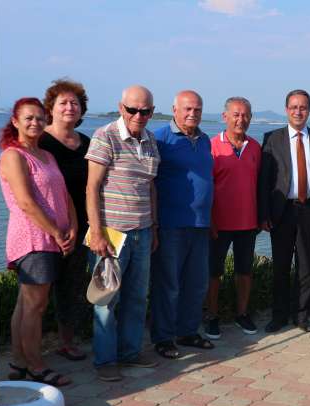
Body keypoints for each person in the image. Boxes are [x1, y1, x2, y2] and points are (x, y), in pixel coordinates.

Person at [0, 97, 76, 386]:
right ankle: (36, 366)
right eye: (28, 118)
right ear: (15, 121)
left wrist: (72, 227)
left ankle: (19, 362)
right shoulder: (13, 156)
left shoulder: (46, 155)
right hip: (33, 239)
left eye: (40, 118)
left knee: (25, 303)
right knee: (35, 306)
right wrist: (56, 232)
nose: (35, 122)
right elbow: (26, 202)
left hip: (52, 238)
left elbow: (64, 195)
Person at [86, 85, 160, 381]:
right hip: (112, 234)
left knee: (137, 298)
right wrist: (97, 233)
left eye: (145, 111)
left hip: (143, 232)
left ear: (152, 112)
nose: (138, 115)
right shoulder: (105, 136)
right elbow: (92, 187)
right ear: (121, 108)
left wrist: (154, 226)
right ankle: (105, 361)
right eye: (132, 110)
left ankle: (130, 353)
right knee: (106, 300)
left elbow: (150, 187)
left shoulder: (151, 140)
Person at [257, 89, 310, 333]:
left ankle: (302, 316)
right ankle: (279, 316)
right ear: (286, 110)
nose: (298, 111)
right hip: (281, 211)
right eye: (294, 107)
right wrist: (263, 214)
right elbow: (264, 181)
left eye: (303, 107)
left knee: (306, 266)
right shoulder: (272, 138)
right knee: (280, 266)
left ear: (309, 110)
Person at [150, 90, 214, 359]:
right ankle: (163, 337)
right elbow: (150, 182)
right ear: (174, 110)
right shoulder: (160, 138)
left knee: (196, 283)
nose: (192, 114)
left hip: (200, 224)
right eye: (187, 109)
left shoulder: (205, 140)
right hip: (170, 224)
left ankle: (187, 331)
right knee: (168, 284)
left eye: (197, 109)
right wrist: (154, 224)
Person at [40, 78, 91, 361]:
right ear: (51, 108)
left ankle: (66, 342)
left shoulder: (86, 143)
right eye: (63, 103)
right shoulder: (40, 142)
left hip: (81, 225)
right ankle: (30, 348)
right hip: (46, 226)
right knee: (39, 290)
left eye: (75, 103)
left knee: (73, 286)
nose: (70, 107)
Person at [205, 97, 261, 338]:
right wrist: (209, 219)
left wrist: (261, 217)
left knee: (244, 271)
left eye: (245, 115)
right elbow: (206, 186)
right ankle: (212, 316)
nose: (241, 119)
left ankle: (242, 313)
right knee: (213, 272)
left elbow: (261, 185)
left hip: (248, 222)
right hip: (218, 223)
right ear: (225, 116)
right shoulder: (212, 146)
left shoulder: (256, 147)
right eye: (236, 114)